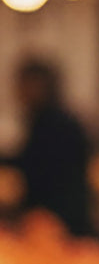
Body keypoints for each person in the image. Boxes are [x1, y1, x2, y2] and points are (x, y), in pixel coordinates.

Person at [8, 58, 93, 235]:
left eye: (25, 84)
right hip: (53, 215)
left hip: (59, 217)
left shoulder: (55, 123)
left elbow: (38, 165)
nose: (19, 92)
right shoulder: (43, 119)